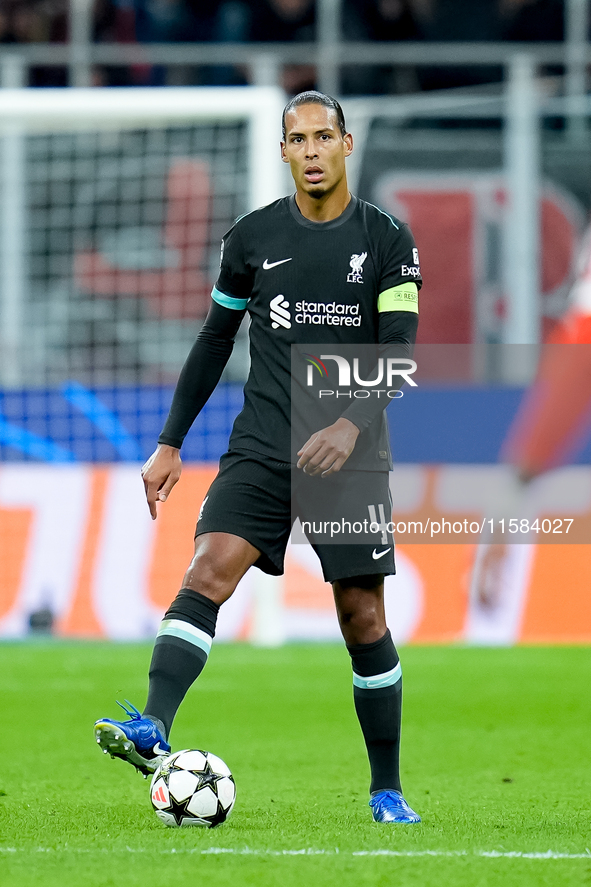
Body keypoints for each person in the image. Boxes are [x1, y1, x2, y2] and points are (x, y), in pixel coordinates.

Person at [93, 91, 423, 824]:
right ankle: (153, 726)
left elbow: (398, 355)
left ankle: (386, 788)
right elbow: (214, 341)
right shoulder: (249, 239)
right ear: (282, 151)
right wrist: (170, 440)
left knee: (361, 616)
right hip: (264, 445)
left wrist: (345, 426)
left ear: (345, 142)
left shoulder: (389, 239)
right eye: (296, 139)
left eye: (321, 137)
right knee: (208, 568)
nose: (309, 150)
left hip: (352, 456)